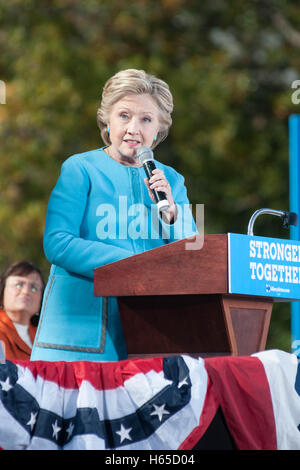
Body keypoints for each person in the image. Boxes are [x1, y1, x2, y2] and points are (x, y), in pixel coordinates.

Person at [31, 69, 197, 362]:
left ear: (158, 130)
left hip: (150, 333)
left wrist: (172, 215)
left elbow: (194, 255)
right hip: (81, 329)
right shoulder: (80, 168)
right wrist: (130, 266)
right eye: (124, 116)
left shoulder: (172, 179)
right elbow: (57, 242)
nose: (134, 128)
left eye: (146, 119)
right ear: (107, 120)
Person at [0, 261, 45, 360]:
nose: (26, 292)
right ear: (2, 291)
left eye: (34, 288)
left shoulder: (44, 336)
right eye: (19, 285)